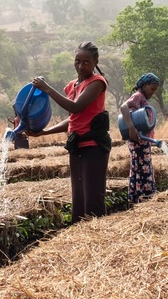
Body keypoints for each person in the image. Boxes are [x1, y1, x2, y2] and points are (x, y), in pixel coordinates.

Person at [28, 41, 111, 220]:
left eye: (86, 62)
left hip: (93, 147)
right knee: (79, 199)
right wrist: (43, 132)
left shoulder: (97, 83)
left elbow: (76, 107)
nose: (80, 66)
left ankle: (97, 239)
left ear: (95, 62)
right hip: (77, 147)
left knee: (93, 200)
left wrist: (47, 89)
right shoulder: (72, 85)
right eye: (77, 61)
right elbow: (73, 120)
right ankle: (78, 239)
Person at [121, 72, 161, 204]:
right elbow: (124, 107)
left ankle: (137, 198)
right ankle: (146, 197)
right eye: (152, 89)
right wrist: (131, 128)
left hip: (142, 140)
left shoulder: (143, 98)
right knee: (143, 169)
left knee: (139, 168)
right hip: (138, 141)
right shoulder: (138, 96)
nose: (153, 92)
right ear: (144, 85)